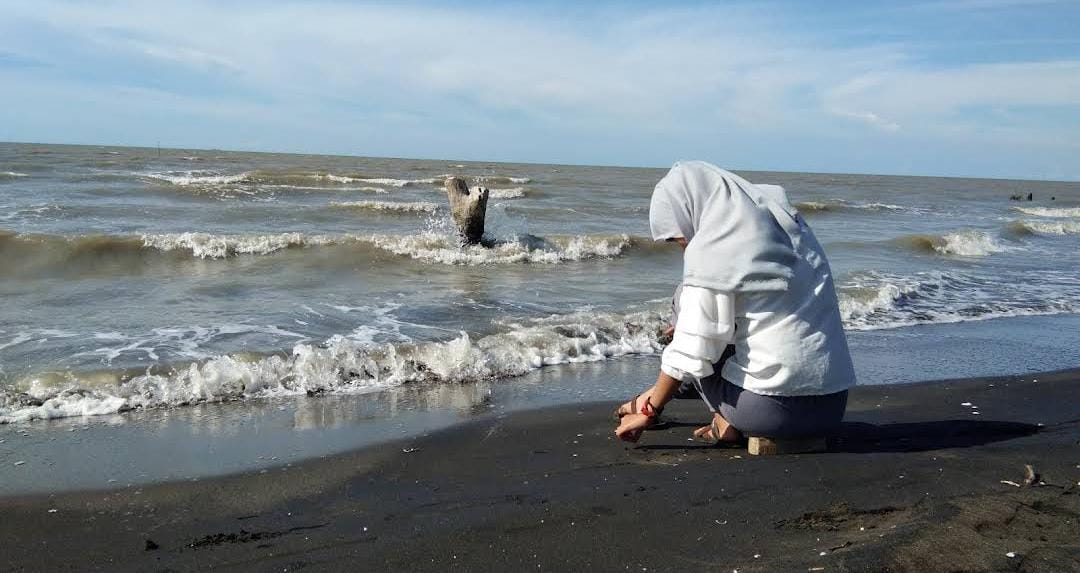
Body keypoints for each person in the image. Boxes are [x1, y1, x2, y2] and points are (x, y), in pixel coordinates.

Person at [614, 161, 856, 444]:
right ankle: (668, 393)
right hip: (832, 405)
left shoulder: (712, 253)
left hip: (767, 411)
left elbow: (690, 352)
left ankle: (719, 418)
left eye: (674, 235)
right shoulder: (789, 231)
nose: (681, 245)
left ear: (687, 211)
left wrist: (649, 410)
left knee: (687, 304)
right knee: (711, 320)